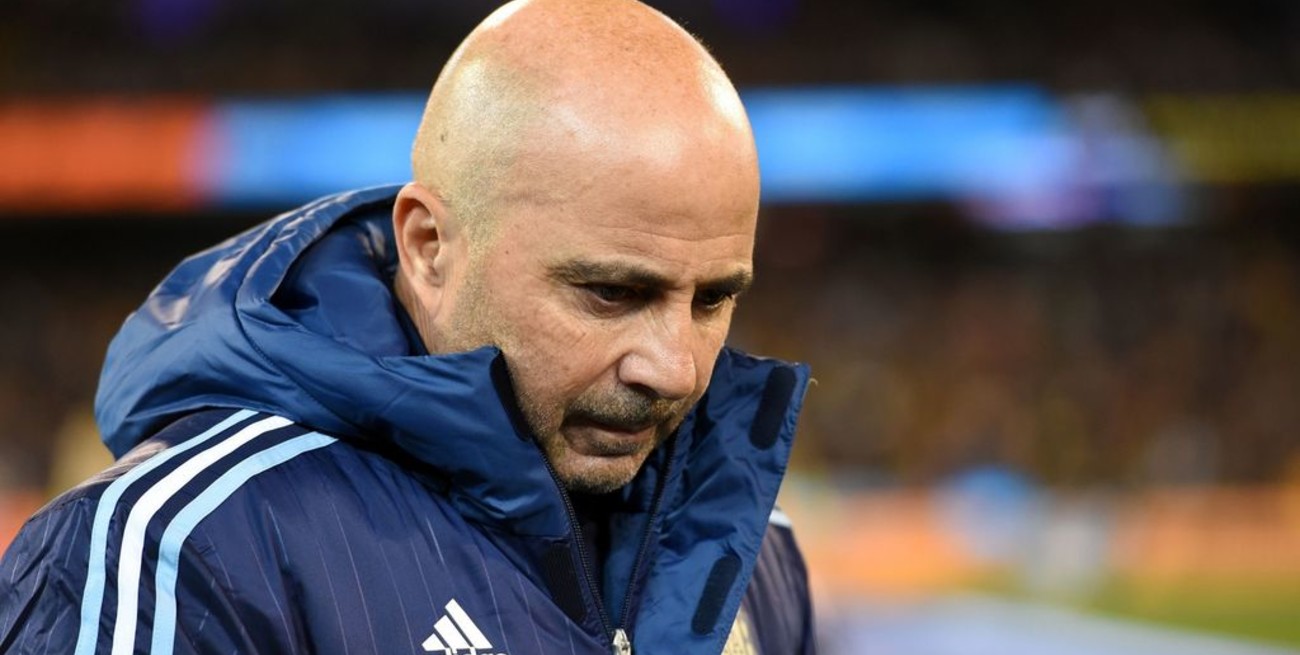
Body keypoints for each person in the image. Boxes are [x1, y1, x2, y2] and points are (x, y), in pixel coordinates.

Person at [0, 0, 815, 653]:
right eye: (610, 292)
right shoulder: (178, 551)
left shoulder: (751, 547)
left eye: (713, 300)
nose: (676, 368)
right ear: (429, 247)